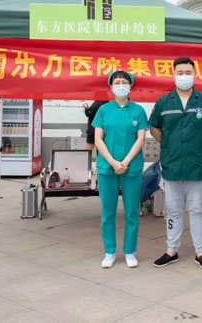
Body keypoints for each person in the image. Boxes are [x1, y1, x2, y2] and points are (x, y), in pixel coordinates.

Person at [149, 57, 202, 270]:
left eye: (188, 72)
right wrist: (168, 144)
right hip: (172, 165)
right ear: (173, 74)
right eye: (180, 73)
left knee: (197, 209)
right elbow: (154, 127)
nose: (184, 76)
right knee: (173, 209)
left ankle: (200, 252)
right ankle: (171, 250)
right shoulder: (164, 102)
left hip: (196, 166)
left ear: (195, 75)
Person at [92, 71, 148, 268]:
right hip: (107, 167)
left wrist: (125, 161)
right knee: (108, 212)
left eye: (124, 82)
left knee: (132, 212)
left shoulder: (138, 111)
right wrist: (113, 163)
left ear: (130, 86)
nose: (121, 86)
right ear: (111, 86)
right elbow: (98, 139)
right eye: (117, 82)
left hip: (132, 167)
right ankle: (109, 252)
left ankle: (130, 251)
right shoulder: (103, 110)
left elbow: (140, 139)